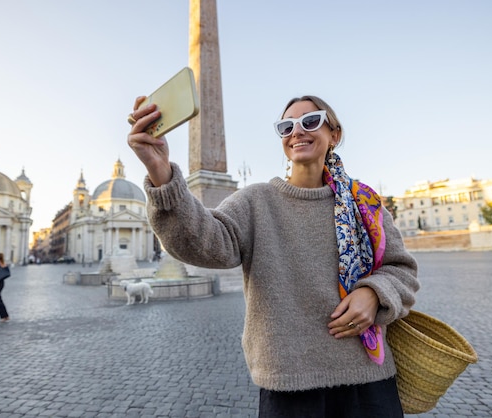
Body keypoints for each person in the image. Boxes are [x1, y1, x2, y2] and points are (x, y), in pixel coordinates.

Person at [127, 94, 420, 417]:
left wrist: (374, 294)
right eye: (286, 126)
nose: (297, 132)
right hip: (288, 384)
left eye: (311, 121)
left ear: (334, 135)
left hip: (368, 380)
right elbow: (201, 242)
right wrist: (160, 172)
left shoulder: (365, 202)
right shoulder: (256, 202)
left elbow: (402, 270)